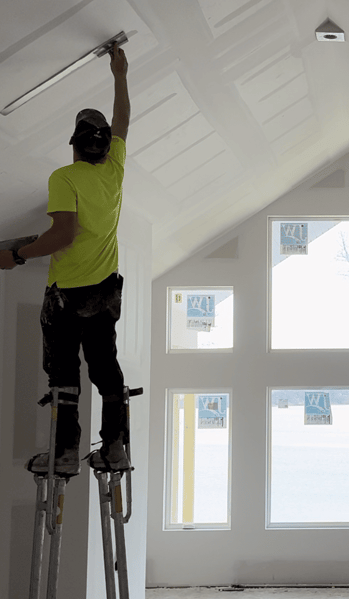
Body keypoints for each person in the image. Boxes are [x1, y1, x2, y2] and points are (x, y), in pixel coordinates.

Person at [0, 43, 131, 476]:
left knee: (63, 374)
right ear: (105, 146)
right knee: (105, 368)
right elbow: (123, 120)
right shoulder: (114, 170)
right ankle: (114, 448)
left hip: (69, 296)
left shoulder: (65, 177)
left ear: (73, 144)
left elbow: (64, 234)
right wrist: (120, 76)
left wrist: (16, 256)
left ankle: (65, 453)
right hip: (105, 293)